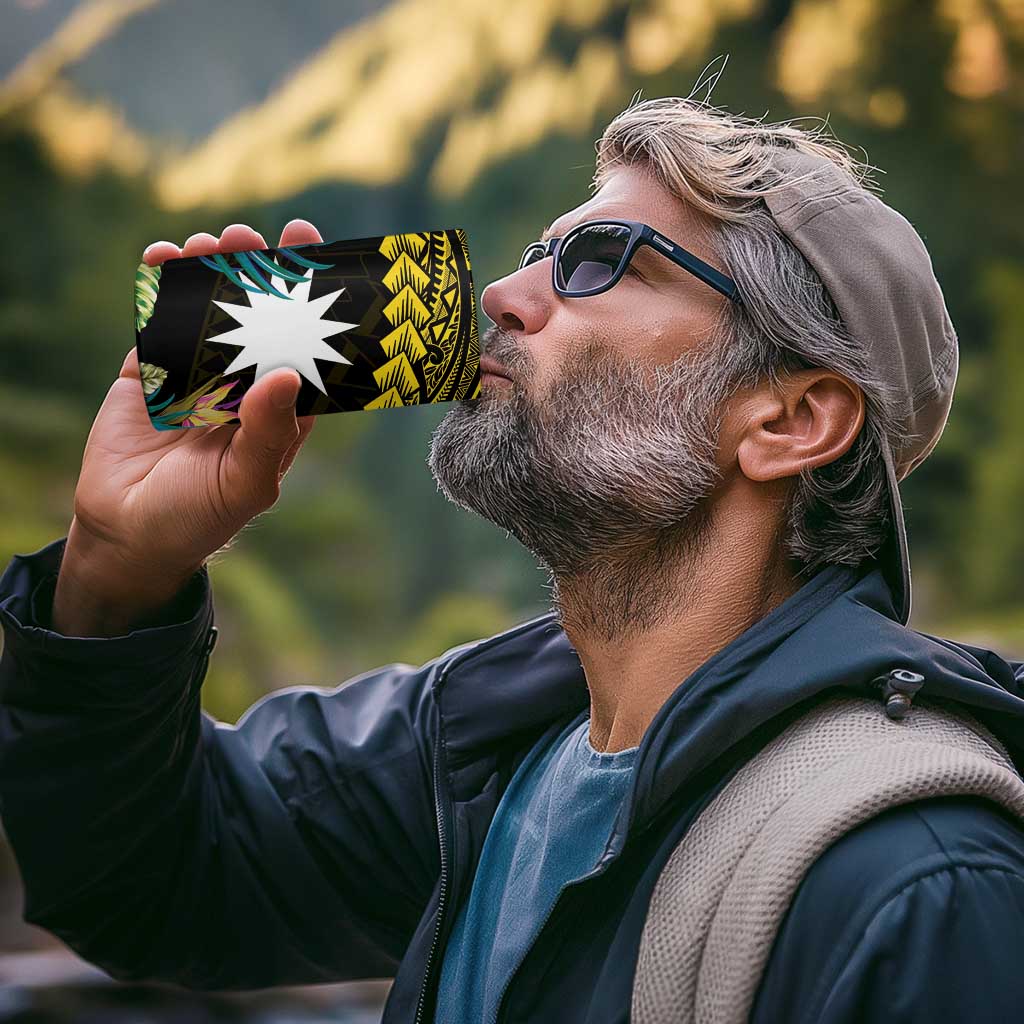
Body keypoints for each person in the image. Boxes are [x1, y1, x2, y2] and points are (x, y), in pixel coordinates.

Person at [2, 93, 1024, 1024]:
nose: (500, 293)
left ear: (791, 419)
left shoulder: (918, 884)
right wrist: (116, 570)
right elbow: (148, 879)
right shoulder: (479, 749)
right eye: (539, 252)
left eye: (599, 261)